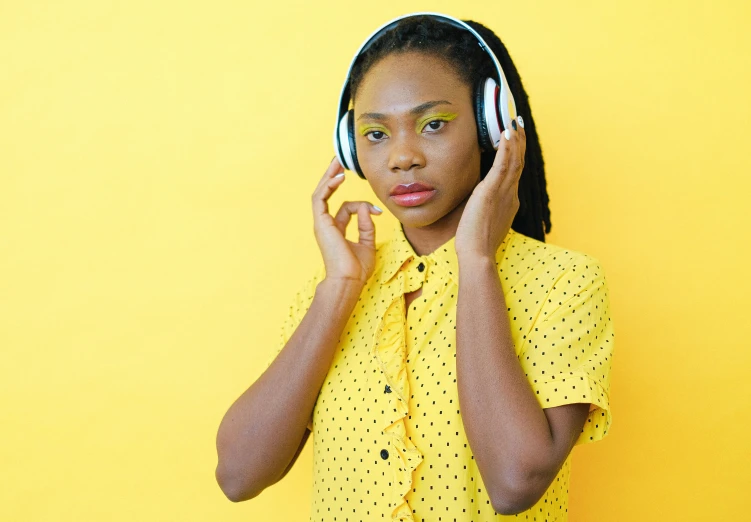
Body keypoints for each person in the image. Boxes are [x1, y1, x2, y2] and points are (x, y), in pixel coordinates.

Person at [215, 12, 615, 522]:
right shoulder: (336, 287)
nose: (402, 157)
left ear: (492, 127)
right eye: (376, 134)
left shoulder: (564, 283)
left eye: (432, 124)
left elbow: (515, 483)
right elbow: (238, 475)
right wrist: (339, 288)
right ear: (350, 147)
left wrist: (476, 263)